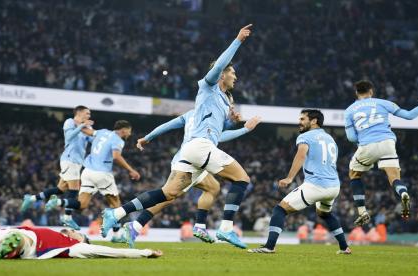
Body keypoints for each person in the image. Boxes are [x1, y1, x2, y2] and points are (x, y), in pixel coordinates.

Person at [101, 24, 253, 249]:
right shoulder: (209, 86)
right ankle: (225, 229)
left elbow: (217, 133)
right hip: (199, 147)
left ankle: (117, 213)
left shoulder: (222, 101)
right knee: (242, 180)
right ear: (222, 75)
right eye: (233, 73)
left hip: (193, 151)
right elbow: (220, 64)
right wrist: (237, 40)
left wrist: (235, 122)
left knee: (168, 194)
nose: (236, 77)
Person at [123, 109, 261, 247]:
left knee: (212, 187)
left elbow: (168, 125)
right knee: (167, 196)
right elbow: (217, 137)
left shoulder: (196, 112)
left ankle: (199, 226)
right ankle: (132, 223)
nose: (230, 107)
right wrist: (244, 129)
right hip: (189, 161)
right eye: (229, 104)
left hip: (189, 158)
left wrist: (147, 138)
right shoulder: (210, 112)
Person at [248, 110, 350, 254]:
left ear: (314, 121)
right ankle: (344, 247)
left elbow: (301, 154)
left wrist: (289, 178)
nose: (299, 122)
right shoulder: (329, 138)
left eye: (303, 119)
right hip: (334, 186)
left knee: (280, 209)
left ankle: (269, 246)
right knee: (324, 214)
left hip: (316, 185)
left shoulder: (306, 136)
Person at [344, 80, 418, 226]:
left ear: (356, 93)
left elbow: (351, 138)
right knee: (394, 177)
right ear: (371, 91)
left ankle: (362, 211)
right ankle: (403, 193)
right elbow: (410, 116)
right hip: (388, 143)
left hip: (367, 145)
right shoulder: (383, 103)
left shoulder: (349, 110)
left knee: (354, 174)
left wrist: (362, 139)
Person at [45, 120, 140, 242]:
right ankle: (116, 236)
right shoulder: (118, 140)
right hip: (102, 174)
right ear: (124, 130)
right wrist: (131, 170)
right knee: (116, 205)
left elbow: (85, 130)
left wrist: (79, 123)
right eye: (129, 131)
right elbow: (116, 156)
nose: (129, 134)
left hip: (87, 172)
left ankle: (58, 202)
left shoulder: (102, 132)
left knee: (82, 205)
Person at [21, 105, 95, 229]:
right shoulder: (70, 122)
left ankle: (32, 198)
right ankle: (67, 218)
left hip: (77, 162)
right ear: (80, 113)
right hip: (70, 160)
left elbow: (92, 139)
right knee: (74, 190)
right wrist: (82, 126)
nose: (89, 116)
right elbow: (70, 137)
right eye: (87, 113)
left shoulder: (87, 126)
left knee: (60, 189)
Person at [0, 226, 162, 259]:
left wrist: (144, 252)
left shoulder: (76, 246)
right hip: (2, 233)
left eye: (77, 233)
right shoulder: (59, 234)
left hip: (27, 242)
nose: (73, 231)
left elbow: (110, 251)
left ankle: (8, 248)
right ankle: (1, 249)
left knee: (19, 239)